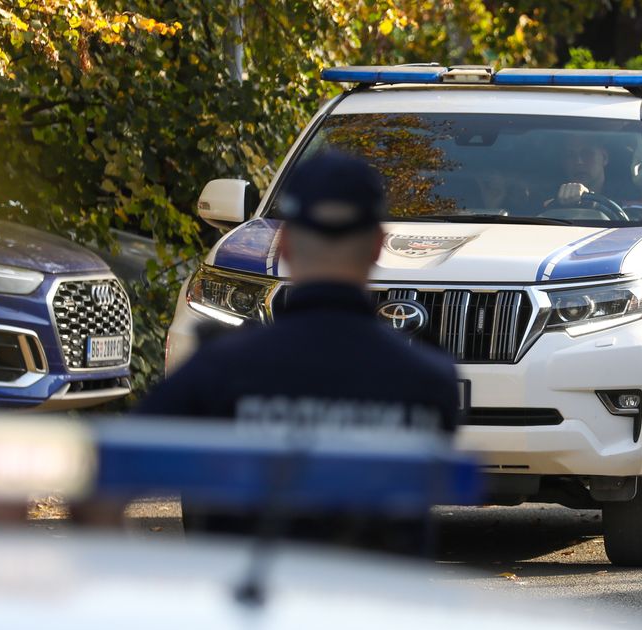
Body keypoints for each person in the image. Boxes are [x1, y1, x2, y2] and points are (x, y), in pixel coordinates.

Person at [138, 151, 461, 553]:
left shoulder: (217, 369)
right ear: (378, 246)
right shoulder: (429, 382)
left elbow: (109, 471)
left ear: (285, 244)